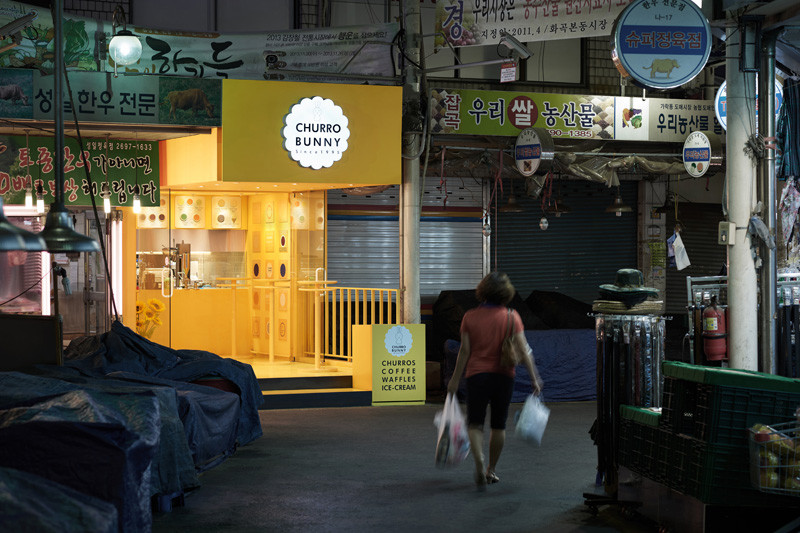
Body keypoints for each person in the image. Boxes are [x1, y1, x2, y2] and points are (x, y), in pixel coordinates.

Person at [447, 271, 543, 490]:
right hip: (503, 377)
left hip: (476, 375)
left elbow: (464, 352)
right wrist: (534, 377)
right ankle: (491, 469)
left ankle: (479, 460)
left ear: (482, 291)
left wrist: (454, 381)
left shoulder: (470, 316)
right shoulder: (512, 317)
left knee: (475, 423)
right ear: (506, 293)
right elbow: (524, 350)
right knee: (499, 425)